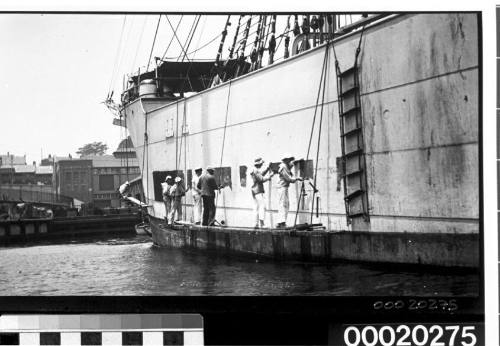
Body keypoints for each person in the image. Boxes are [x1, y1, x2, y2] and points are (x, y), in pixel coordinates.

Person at [276, 154, 303, 228]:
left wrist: (295, 163)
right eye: (290, 160)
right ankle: (281, 223)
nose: (291, 161)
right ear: (287, 160)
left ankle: (281, 222)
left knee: (286, 204)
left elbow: (289, 171)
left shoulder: (285, 166)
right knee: (283, 204)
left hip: (284, 187)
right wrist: (297, 178)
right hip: (282, 187)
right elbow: (289, 179)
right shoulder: (283, 167)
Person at [250, 157, 274, 228]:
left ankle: (255, 224)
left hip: (254, 190)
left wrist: (267, 169)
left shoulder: (254, 170)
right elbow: (261, 179)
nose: (261, 165)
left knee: (256, 207)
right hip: (258, 190)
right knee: (262, 206)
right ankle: (262, 224)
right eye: (261, 164)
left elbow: (261, 174)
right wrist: (269, 176)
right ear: (259, 164)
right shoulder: (256, 170)